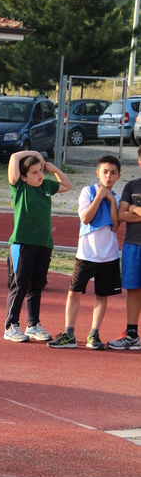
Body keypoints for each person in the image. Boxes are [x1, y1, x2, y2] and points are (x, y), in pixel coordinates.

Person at [48, 156, 121, 350]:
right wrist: (100, 196)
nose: (109, 176)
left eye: (113, 173)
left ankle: (94, 334)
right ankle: (69, 334)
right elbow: (86, 218)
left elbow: (115, 226)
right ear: (98, 173)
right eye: (105, 172)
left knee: (101, 295)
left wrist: (112, 200)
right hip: (87, 255)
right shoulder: (87, 192)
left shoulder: (117, 197)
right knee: (74, 293)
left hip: (109, 256)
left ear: (118, 176)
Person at [4, 150, 72, 342]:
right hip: (23, 243)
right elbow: (13, 158)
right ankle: (11, 326)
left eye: (40, 170)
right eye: (34, 172)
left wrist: (54, 169)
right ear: (23, 177)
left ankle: (33, 325)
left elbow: (67, 185)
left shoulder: (46, 187)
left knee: (37, 286)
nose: (39, 175)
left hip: (44, 244)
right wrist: (34, 153)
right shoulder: (19, 188)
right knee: (20, 285)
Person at [107, 146, 141, 349]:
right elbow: (121, 215)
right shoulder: (131, 186)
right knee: (133, 290)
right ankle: (132, 334)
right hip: (133, 246)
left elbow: (127, 213)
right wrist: (136, 208)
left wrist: (133, 210)